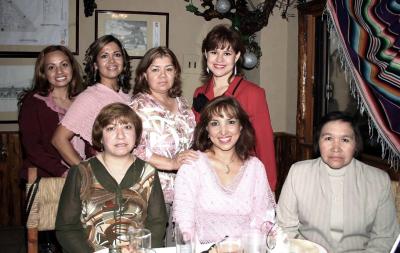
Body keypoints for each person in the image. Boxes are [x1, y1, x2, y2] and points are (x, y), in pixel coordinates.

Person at [277, 111, 399, 252]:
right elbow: (285, 227)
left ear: (356, 144)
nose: (336, 148)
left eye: (345, 140)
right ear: (318, 142)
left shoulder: (379, 180)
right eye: (328, 138)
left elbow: (385, 237)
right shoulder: (298, 173)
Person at [56, 103, 168, 252]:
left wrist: (141, 248)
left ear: (136, 135)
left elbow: (157, 222)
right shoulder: (80, 173)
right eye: (111, 128)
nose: (120, 135)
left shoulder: (149, 173)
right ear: (100, 137)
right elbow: (66, 228)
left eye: (127, 127)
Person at [173, 96, 276, 243]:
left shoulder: (255, 168)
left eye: (231, 122)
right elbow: (185, 224)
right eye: (215, 123)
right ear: (207, 129)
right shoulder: (192, 165)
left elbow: (261, 220)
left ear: (241, 126)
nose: (223, 131)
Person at [192, 24, 277, 191]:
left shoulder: (254, 93)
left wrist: (269, 188)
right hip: (207, 177)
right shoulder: (200, 93)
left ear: (237, 56)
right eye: (214, 52)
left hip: (243, 178)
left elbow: (264, 143)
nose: (219, 60)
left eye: (227, 53)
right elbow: (198, 138)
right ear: (205, 54)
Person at [130, 46, 197, 245]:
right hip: (152, 194)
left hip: (185, 192)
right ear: (144, 74)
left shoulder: (182, 103)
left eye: (168, 69)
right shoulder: (137, 107)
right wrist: (171, 163)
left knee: (181, 246)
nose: (163, 75)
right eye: (155, 69)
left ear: (176, 72)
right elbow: (131, 149)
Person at [52, 35, 131, 166]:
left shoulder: (128, 96)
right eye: (104, 56)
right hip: (105, 173)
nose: (112, 61)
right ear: (95, 65)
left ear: (123, 61)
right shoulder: (90, 97)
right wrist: (86, 173)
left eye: (117, 55)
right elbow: (59, 139)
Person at [18, 45, 85, 179]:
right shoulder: (33, 102)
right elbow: (33, 149)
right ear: (43, 72)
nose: (59, 71)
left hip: (85, 173)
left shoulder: (84, 99)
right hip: (50, 179)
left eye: (64, 64)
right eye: (51, 67)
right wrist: (63, 172)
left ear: (72, 67)